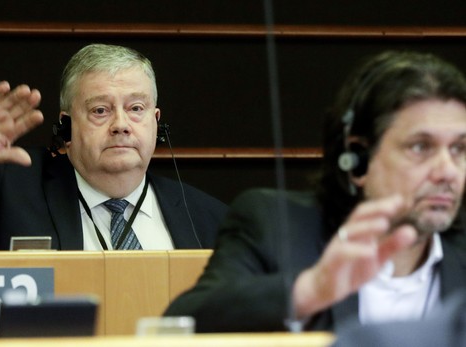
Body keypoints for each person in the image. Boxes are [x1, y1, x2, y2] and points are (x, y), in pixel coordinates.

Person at [164, 50, 466, 333]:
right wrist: (310, 291)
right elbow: (182, 323)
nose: (448, 171)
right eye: (420, 147)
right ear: (357, 159)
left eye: (459, 149)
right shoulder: (274, 225)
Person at [0, 43, 227, 250]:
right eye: (100, 110)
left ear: (156, 121)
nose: (121, 124)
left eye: (136, 109)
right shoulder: (13, 191)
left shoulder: (211, 220)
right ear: (66, 125)